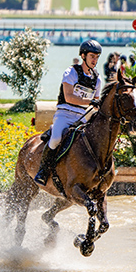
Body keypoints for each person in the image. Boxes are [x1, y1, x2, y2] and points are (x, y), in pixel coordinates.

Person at [34, 39, 103, 186]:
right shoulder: (71, 72)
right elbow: (69, 97)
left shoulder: (97, 79)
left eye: (97, 57)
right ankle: (43, 170)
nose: (95, 60)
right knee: (56, 138)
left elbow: (96, 103)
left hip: (83, 117)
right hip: (65, 114)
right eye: (92, 56)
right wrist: (90, 102)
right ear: (83, 56)